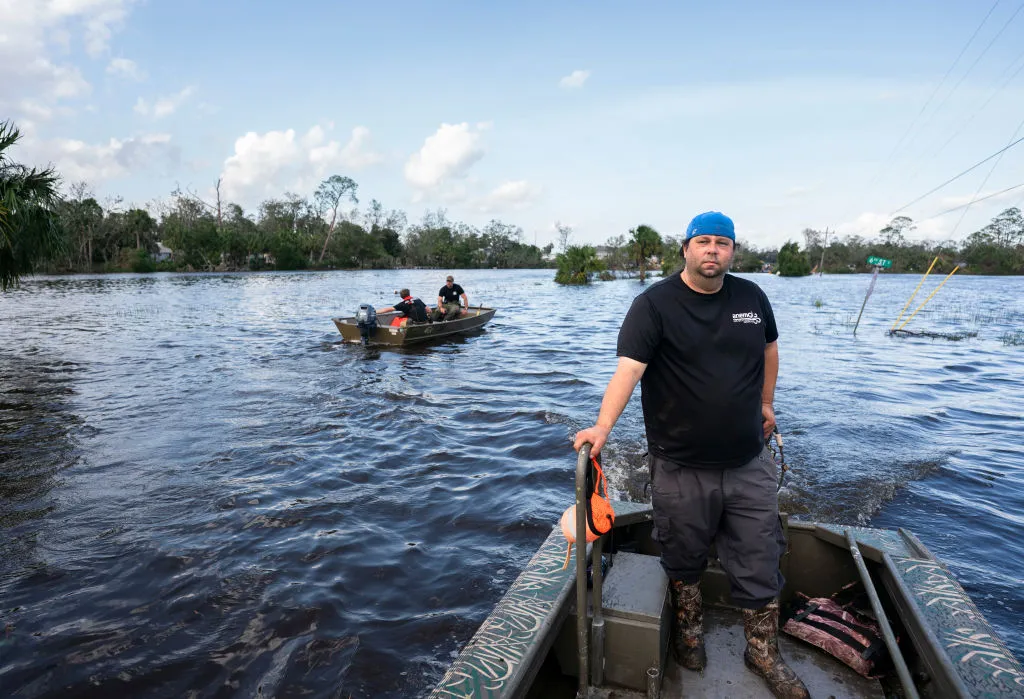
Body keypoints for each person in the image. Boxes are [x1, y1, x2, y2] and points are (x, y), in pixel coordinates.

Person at [573, 211, 809, 699]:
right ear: (685, 248)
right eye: (703, 241)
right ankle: (688, 631)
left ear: (732, 252)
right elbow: (629, 371)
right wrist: (603, 426)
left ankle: (762, 651)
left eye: (722, 243)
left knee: (760, 556)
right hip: (679, 464)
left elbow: (770, 350)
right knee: (683, 555)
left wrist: (766, 403)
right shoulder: (654, 305)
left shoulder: (751, 297)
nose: (712, 250)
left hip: (748, 461)